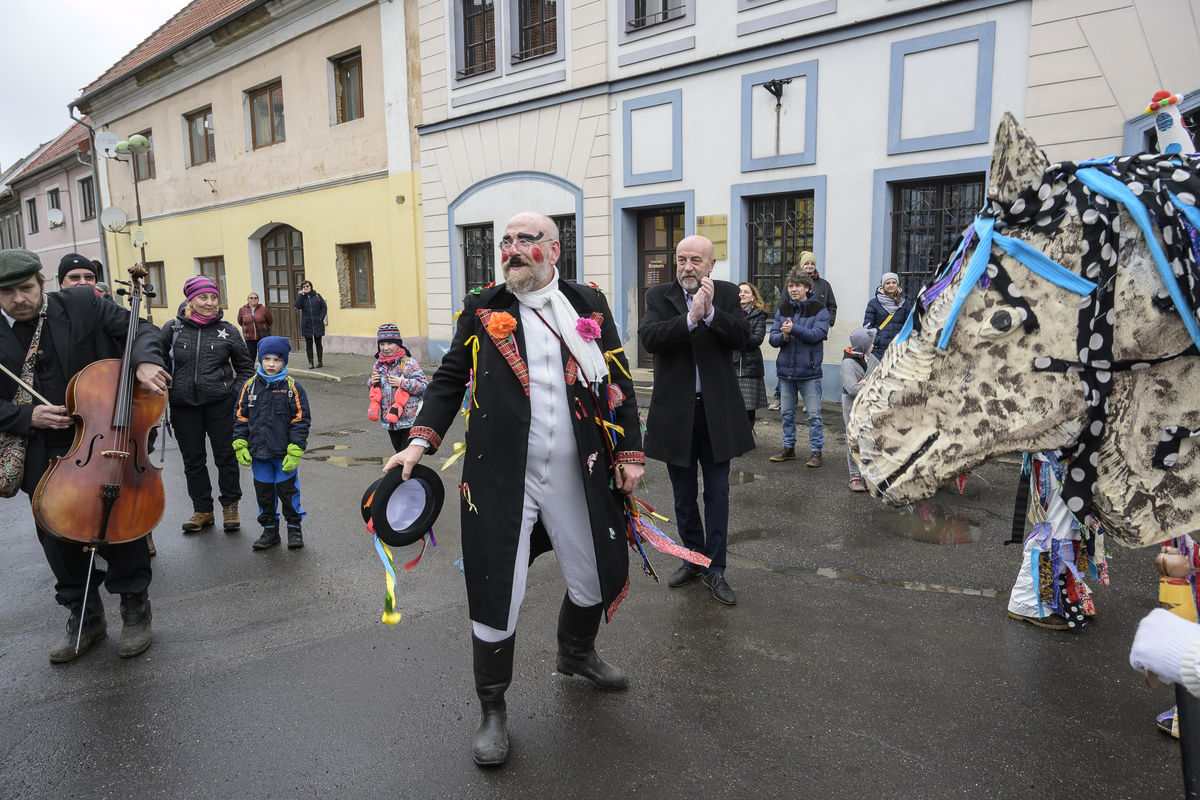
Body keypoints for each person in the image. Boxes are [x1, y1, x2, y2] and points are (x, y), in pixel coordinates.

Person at [385, 212, 643, 768]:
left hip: (578, 471)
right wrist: (418, 443)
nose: (512, 249)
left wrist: (629, 453)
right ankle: (493, 709)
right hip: (504, 475)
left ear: (554, 248)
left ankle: (576, 654)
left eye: (525, 240)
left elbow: (618, 380)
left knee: (594, 570)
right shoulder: (484, 308)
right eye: (506, 241)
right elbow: (450, 378)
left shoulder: (589, 303)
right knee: (498, 586)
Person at [0, 248, 170, 662]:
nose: (18, 299)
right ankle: (85, 615)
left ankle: (135, 608)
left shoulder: (80, 303)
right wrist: (26, 415)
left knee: (120, 520)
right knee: (57, 533)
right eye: (7, 293)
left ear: (42, 283)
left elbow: (140, 328)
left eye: (26, 288)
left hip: (105, 436)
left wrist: (145, 362)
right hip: (43, 448)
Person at [640, 234, 752, 606]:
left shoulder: (725, 294)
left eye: (696, 261)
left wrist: (713, 315)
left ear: (711, 265)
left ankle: (715, 568)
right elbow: (650, 338)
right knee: (684, 497)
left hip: (716, 413)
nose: (688, 267)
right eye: (682, 259)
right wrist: (689, 319)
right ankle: (693, 559)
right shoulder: (659, 297)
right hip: (677, 415)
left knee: (717, 493)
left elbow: (745, 338)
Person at [163, 276, 254, 533]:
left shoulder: (228, 330)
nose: (210, 302)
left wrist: (233, 394)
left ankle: (230, 507)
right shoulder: (172, 330)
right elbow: (157, 363)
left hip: (220, 405)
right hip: (183, 406)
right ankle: (202, 510)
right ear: (190, 300)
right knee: (193, 460)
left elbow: (246, 368)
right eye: (203, 297)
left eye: (213, 297)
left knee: (226, 457)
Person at [232, 336, 310, 551]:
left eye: (277, 360)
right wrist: (240, 443)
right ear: (260, 360)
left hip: (284, 454)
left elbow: (300, 420)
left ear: (284, 361)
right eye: (267, 359)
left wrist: (295, 449)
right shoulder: (249, 386)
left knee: (288, 493)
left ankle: (294, 528)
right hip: (259, 454)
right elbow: (240, 417)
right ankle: (269, 530)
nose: (271, 364)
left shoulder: (292, 387)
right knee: (264, 494)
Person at [768, 270, 830, 467]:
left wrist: (793, 329)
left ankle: (816, 452)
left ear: (807, 287)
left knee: (813, 415)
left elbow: (817, 334)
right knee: (786, 413)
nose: (793, 289)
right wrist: (784, 336)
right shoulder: (783, 308)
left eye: (797, 286)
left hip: (809, 371)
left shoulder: (819, 310)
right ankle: (788, 448)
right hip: (786, 371)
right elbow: (772, 339)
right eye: (790, 286)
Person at [368, 323, 427, 452]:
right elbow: (376, 389)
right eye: (382, 344)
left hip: (409, 421)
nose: (385, 348)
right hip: (390, 420)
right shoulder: (378, 365)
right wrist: (371, 382)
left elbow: (424, 387)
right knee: (399, 454)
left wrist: (403, 383)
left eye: (390, 343)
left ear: (398, 344)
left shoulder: (409, 363)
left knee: (405, 457)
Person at [841, 327, 880, 492]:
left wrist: (865, 383)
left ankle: (868, 474)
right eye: (871, 343)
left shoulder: (871, 359)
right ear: (864, 345)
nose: (873, 345)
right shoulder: (847, 363)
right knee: (854, 439)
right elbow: (852, 389)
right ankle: (854, 475)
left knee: (869, 438)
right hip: (852, 405)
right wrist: (867, 383)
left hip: (869, 405)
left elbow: (881, 375)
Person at [734, 282, 768, 428]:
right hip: (731, 365)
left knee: (748, 406)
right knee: (732, 404)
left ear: (753, 297)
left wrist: (737, 335)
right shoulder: (730, 313)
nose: (742, 294)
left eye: (746, 292)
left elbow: (757, 339)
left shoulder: (759, 315)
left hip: (750, 366)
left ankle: (747, 434)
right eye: (740, 291)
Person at [862, 272, 911, 354]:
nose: (891, 285)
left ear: (897, 284)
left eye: (894, 282)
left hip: (898, 348)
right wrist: (877, 340)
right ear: (883, 285)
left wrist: (904, 341)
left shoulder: (905, 303)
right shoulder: (873, 303)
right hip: (879, 350)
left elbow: (909, 325)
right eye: (888, 283)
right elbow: (867, 327)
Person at [797, 250, 837, 326]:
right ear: (802, 265)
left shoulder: (825, 285)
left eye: (812, 263)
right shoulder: (794, 283)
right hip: (797, 327)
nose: (810, 266)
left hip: (819, 328)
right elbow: (784, 304)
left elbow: (832, 306)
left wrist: (828, 322)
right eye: (806, 263)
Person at [293, 280, 327, 368]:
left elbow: (324, 307)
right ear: (302, 289)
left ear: (311, 287)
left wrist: (321, 317)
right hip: (306, 324)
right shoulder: (302, 298)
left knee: (318, 343)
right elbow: (297, 306)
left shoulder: (317, 296)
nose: (306, 288)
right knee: (309, 344)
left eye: (307, 286)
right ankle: (310, 362)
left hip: (317, 323)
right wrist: (301, 295)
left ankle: (320, 362)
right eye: (304, 287)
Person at [236, 292, 273, 360]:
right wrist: (247, 328)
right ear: (248, 299)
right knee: (251, 356)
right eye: (251, 298)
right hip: (249, 337)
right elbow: (240, 321)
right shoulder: (242, 310)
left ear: (258, 300)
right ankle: (251, 370)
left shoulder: (263, 309)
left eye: (255, 298)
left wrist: (263, 327)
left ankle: (263, 369)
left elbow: (270, 321)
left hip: (262, 336)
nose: (253, 299)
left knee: (264, 354)